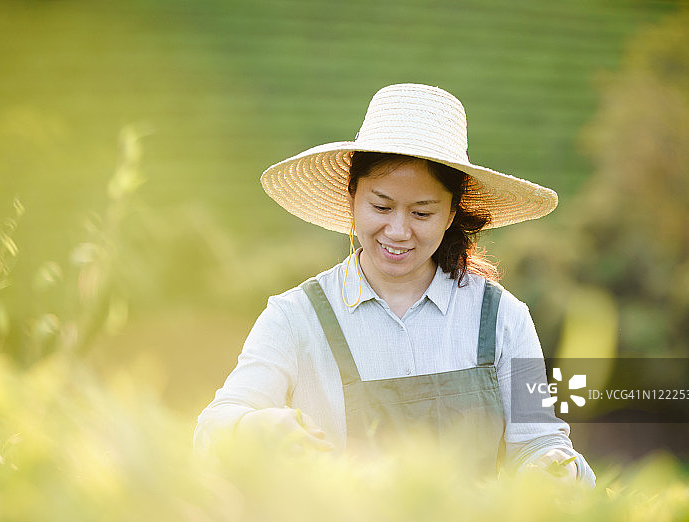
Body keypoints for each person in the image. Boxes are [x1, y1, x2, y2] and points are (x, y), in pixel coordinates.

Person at [195, 83, 595, 484]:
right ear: (352, 197)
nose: (399, 231)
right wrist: (255, 430)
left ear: (453, 212)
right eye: (381, 207)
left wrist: (555, 470)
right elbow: (213, 429)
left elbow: (539, 441)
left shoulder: (504, 318)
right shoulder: (295, 318)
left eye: (422, 213)